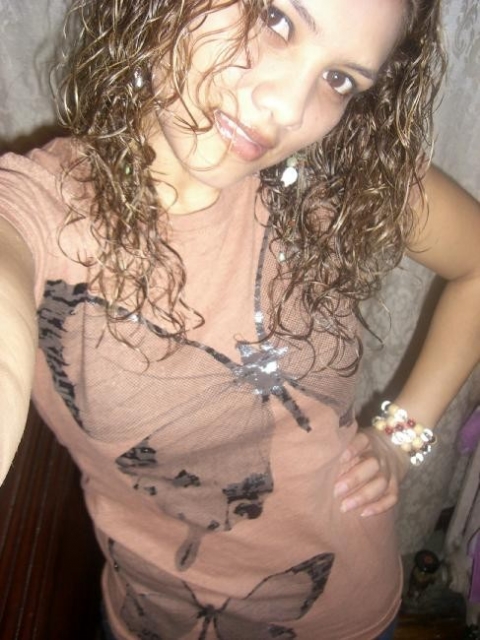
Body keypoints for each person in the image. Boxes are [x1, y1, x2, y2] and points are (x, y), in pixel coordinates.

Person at [0, 0, 479, 638]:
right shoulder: (39, 210)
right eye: (276, 20)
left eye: (339, 79)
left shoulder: (333, 173)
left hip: (344, 614)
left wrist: (401, 437)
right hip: (152, 618)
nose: (287, 110)